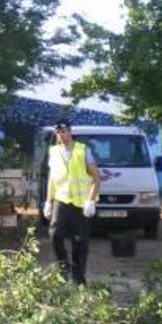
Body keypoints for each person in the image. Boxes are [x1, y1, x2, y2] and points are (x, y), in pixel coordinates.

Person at [43, 120, 101, 285]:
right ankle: (64, 268)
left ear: (70, 131)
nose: (62, 135)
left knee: (80, 241)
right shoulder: (53, 151)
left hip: (81, 204)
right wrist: (48, 201)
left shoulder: (83, 150)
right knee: (55, 234)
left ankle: (78, 278)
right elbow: (52, 179)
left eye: (64, 131)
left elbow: (97, 178)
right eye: (59, 132)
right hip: (61, 201)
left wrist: (91, 201)